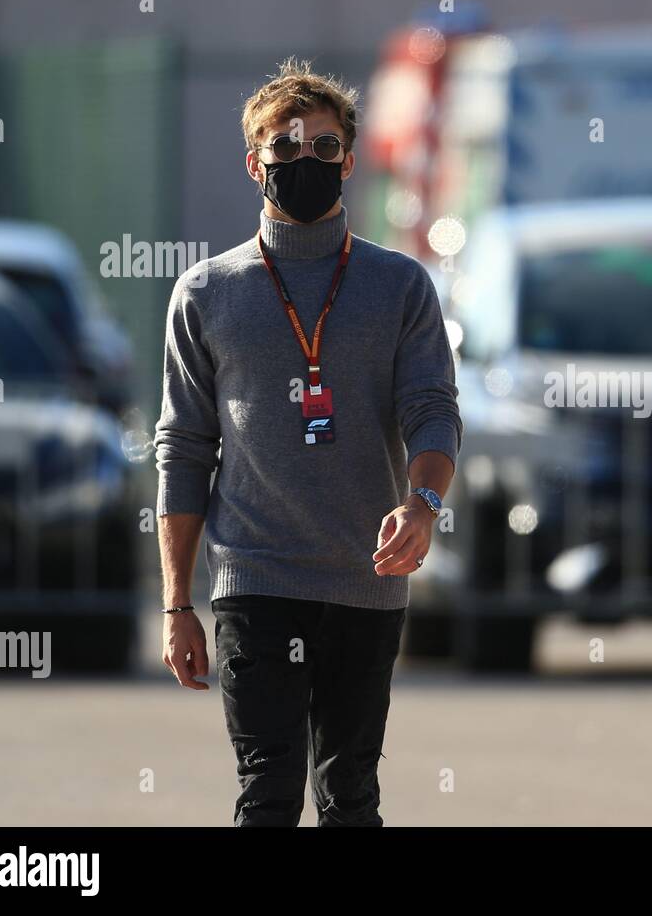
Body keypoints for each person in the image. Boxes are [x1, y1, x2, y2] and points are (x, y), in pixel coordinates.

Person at [153, 58, 462, 826]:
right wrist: (176, 603)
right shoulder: (207, 292)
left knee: (349, 797)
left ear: (350, 162)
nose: (305, 161)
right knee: (267, 793)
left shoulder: (400, 286)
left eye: (324, 147)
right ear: (253, 163)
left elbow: (433, 409)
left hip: (366, 580)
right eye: (284, 147)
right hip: (255, 579)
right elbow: (183, 447)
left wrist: (423, 504)